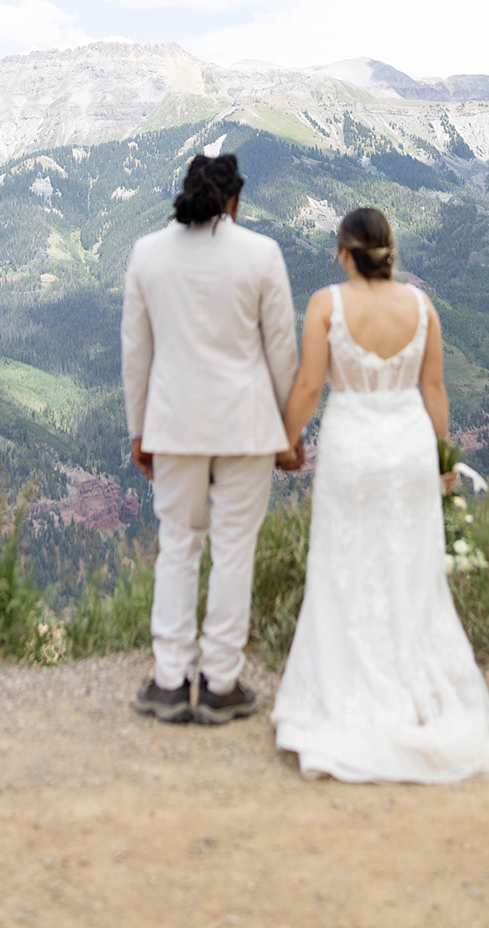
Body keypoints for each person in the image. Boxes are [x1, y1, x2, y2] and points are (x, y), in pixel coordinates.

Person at [271, 207, 489, 784]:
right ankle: (419, 685)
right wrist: (444, 463)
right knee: (409, 565)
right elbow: (433, 387)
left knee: (344, 562)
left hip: (353, 448)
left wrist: (284, 442)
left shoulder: (325, 305)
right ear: (389, 251)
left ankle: (348, 686)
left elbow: (310, 385)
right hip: (408, 446)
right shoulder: (421, 307)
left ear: (343, 252)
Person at [122, 152, 301, 726]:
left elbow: (136, 353)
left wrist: (138, 428)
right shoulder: (261, 254)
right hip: (246, 424)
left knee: (178, 546)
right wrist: (289, 429)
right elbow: (281, 350)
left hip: (173, 423)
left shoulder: (147, 253)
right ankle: (221, 682)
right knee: (233, 552)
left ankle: (169, 680)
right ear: (235, 200)